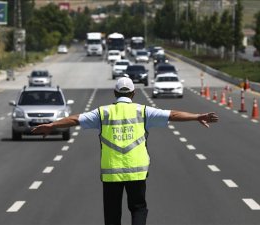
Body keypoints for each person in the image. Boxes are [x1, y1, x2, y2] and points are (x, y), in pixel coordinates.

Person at [31, 77, 219, 225]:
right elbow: (172, 114)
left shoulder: (103, 113)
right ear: (134, 93)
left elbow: (75, 119)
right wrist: (197, 116)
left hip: (111, 173)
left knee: (112, 214)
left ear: (114, 93)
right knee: (138, 209)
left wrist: (52, 125)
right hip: (137, 171)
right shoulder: (143, 111)